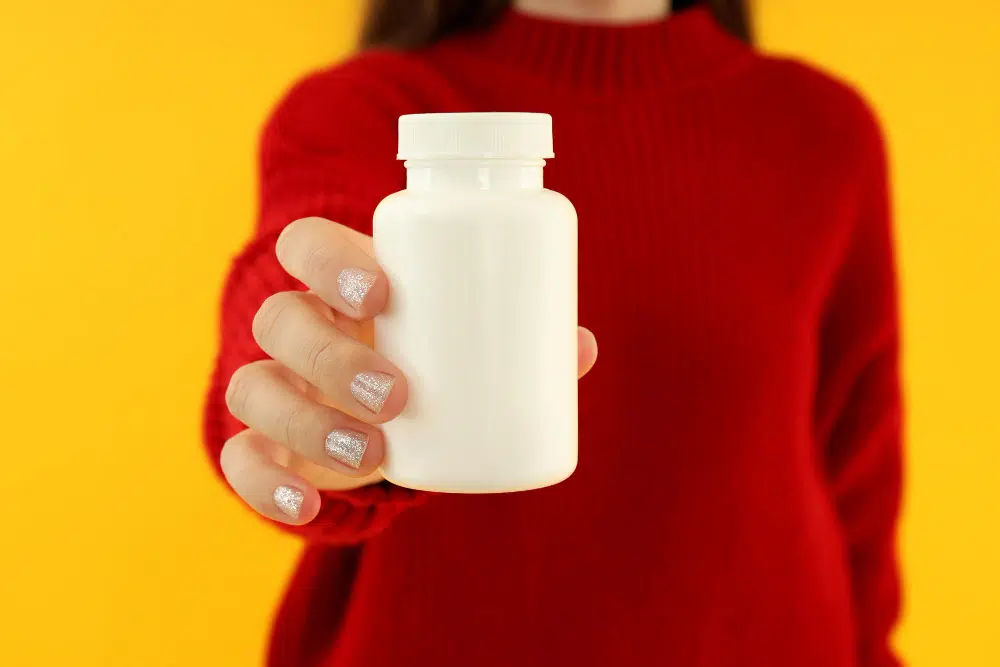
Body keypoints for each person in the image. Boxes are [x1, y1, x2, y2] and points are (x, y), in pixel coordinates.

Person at [204, 1, 904, 665]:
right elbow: (313, 244)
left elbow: (861, 478)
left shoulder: (821, 131)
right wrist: (307, 369)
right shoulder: (364, 108)